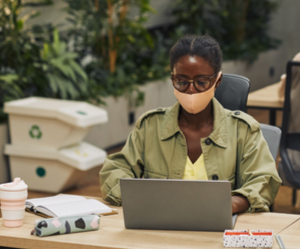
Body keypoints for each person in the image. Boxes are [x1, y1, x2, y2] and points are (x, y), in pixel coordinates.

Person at [100, 35, 281, 214]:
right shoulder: (150, 127)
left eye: (202, 82)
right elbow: (115, 171)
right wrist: (147, 200)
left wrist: (230, 204)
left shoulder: (243, 130)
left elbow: (263, 179)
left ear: (217, 80)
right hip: (160, 227)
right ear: (173, 79)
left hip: (220, 228)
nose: (191, 90)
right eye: (182, 81)